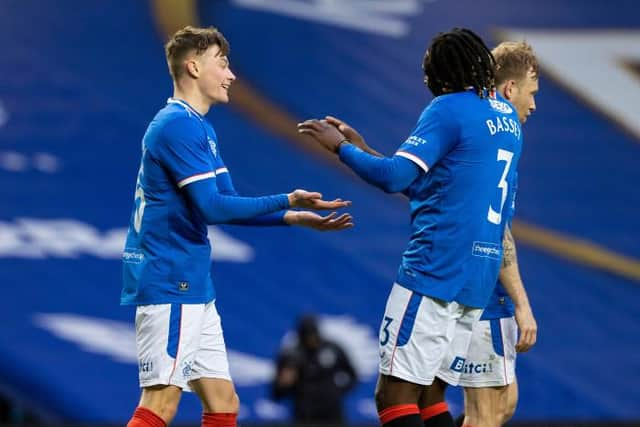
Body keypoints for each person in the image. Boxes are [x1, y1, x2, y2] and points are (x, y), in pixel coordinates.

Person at [121, 26, 353, 427]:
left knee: (223, 402)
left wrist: (292, 217)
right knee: (160, 404)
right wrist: (286, 200)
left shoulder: (199, 127)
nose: (231, 75)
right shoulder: (177, 126)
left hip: (193, 285)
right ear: (193, 67)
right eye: (222, 64)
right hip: (170, 282)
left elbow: (229, 201)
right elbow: (213, 208)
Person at [298, 28, 522, 427]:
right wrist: (365, 149)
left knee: (393, 397)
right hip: (476, 280)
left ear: (443, 73)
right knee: (430, 394)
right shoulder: (507, 119)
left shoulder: (448, 108)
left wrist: (340, 147)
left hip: (435, 269)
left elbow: (395, 178)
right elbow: (434, 189)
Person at [433, 41, 540, 427]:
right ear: (509, 89)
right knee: (486, 414)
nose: (534, 104)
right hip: (478, 288)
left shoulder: (489, 130)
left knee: (504, 403)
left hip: (475, 283)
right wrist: (522, 304)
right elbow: (495, 230)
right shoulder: (494, 134)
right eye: (531, 92)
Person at [272, 314, 358, 424]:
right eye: (308, 336)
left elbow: (353, 375)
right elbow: (276, 393)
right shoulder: (290, 356)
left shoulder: (331, 349)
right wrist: (283, 384)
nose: (311, 340)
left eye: (313, 335)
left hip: (332, 412)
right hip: (305, 413)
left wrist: (337, 391)